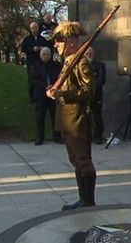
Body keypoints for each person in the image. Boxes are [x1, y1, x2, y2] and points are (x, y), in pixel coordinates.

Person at [46, 22, 96, 210]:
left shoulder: (81, 62)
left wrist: (63, 95)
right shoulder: (68, 61)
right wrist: (53, 90)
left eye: (59, 40)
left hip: (77, 120)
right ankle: (82, 199)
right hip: (67, 119)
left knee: (83, 161)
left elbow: (89, 91)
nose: (56, 45)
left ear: (71, 41)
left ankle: (89, 200)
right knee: (76, 161)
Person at [29, 47, 63, 145]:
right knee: (40, 117)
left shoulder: (56, 65)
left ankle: (57, 136)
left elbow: (60, 76)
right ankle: (40, 138)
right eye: (44, 54)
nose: (46, 56)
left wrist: (54, 86)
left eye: (47, 54)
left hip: (54, 94)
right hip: (41, 94)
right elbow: (33, 79)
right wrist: (45, 86)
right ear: (40, 55)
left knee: (55, 116)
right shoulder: (35, 66)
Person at [22, 22, 51, 102]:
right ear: (31, 29)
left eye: (36, 27)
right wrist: (32, 49)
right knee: (31, 79)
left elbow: (47, 47)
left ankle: (41, 96)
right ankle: (32, 96)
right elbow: (24, 49)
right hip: (31, 62)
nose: (35, 29)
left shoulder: (42, 39)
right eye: (33, 28)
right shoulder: (27, 39)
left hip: (40, 62)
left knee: (41, 79)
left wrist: (42, 48)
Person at [84, 47, 106, 144]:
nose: (89, 55)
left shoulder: (100, 66)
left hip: (96, 95)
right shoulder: (81, 66)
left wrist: (91, 88)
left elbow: (101, 80)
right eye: (87, 53)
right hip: (84, 96)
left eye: (90, 53)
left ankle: (98, 136)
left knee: (97, 116)